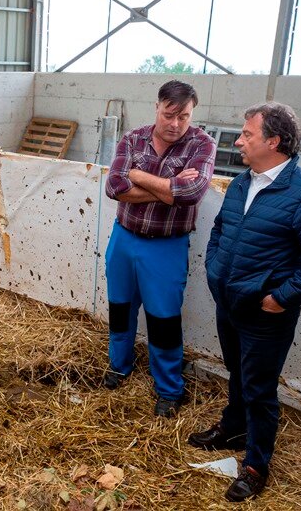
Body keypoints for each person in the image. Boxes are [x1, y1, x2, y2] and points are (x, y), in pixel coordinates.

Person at [188, 102, 301, 502]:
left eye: (247, 134)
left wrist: (283, 298)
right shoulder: (243, 182)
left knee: (259, 389)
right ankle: (233, 427)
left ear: (274, 141)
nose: (239, 141)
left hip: (265, 313)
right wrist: (214, 269)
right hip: (230, 302)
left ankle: (256, 465)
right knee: (237, 374)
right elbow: (221, 230)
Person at [102, 80, 216, 418]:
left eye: (184, 116)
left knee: (164, 319)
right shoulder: (133, 139)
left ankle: (168, 389)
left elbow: (192, 193)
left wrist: (141, 176)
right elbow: (115, 186)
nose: (176, 124)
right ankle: (119, 366)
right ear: (157, 107)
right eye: (169, 115)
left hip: (167, 245)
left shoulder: (202, 144)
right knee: (120, 308)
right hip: (124, 238)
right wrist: (169, 189)